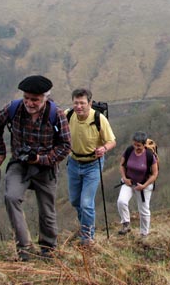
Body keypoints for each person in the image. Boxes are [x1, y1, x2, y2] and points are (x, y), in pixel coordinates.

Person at [0, 75, 71, 262]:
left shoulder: (56, 114)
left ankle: (48, 249)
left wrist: (42, 159)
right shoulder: (13, 108)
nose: (30, 103)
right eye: (27, 98)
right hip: (19, 163)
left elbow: (66, 145)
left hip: (45, 168)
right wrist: (0, 151)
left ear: (45, 97)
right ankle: (24, 247)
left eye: (35, 99)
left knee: (47, 210)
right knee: (11, 197)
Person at [66, 88, 116, 246]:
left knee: (86, 202)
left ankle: (87, 237)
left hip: (93, 165)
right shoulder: (68, 115)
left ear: (90, 103)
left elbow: (112, 141)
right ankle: (85, 227)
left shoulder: (99, 119)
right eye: (76, 103)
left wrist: (104, 149)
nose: (79, 106)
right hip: (73, 162)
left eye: (82, 103)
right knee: (75, 201)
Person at [117, 131, 159, 238]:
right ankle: (126, 224)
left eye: (139, 145)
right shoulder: (129, 150)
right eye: (134, 144)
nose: (136, 147)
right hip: (129, 181)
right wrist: (124, 178)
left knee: (144, 210)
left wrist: (144, 186)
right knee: (121, 201)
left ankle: (144, 234)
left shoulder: (149, 156)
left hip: (144, 184)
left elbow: (155, 174)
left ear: (144, 144)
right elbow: (122, 165)